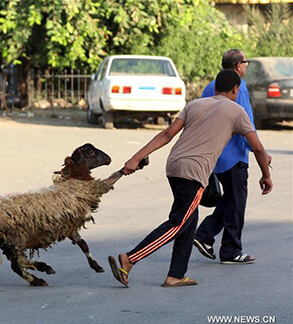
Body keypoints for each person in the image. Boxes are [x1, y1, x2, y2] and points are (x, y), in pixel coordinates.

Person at [108, 69, 273, 288]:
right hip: (194, 172)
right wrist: (266, 175)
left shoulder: (194, 104)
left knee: (189, 220)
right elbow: (258, 148)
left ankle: (175, 275)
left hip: (174, 165)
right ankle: (130, 258)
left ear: (215, 88)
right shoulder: (236, 111)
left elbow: (167, 135)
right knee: (178, 223)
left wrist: (136, 158)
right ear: (235, 89)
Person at [193, 49, 261, 264]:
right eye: (245, 63)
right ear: (239, 65)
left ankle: (204, 235)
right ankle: (230, 250)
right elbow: (245, 123)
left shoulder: (209, 87)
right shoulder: (237, 88)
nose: (246, 67)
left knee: (231, 199)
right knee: (237, 202)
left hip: (214, 153)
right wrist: (258, 150)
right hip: (234, 155)